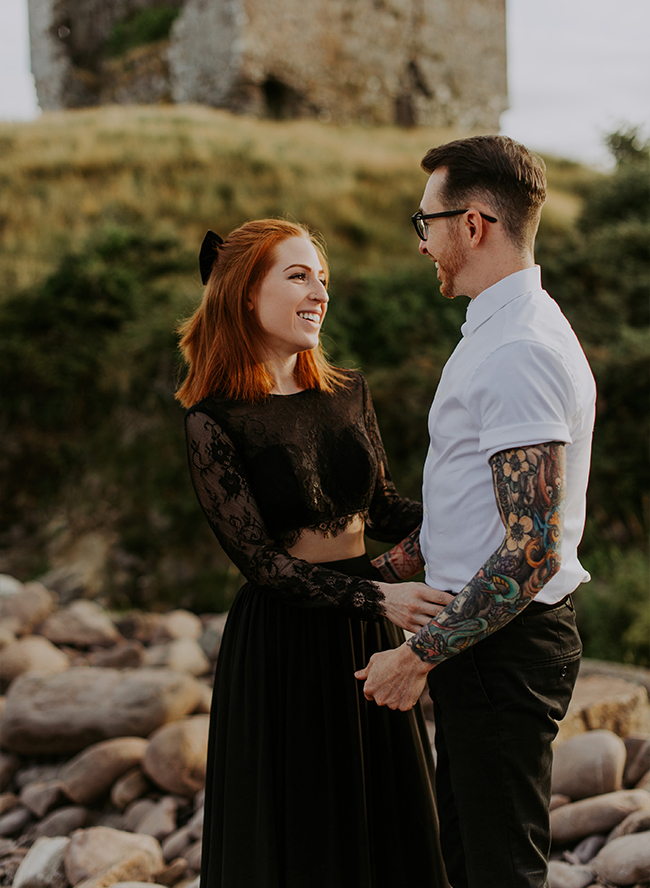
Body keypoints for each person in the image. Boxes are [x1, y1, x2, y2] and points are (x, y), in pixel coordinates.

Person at [175, 219, 451, 888]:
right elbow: (263, 564)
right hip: (285, 643)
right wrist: (379, 594)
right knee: (302, 839)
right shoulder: (213, 418)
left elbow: (383, 510)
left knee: (388, 828)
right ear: (245, 294)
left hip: (367, 629)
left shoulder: (347, 391)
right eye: (298, 275)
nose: (318, 292)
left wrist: (469, 517)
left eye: (322, 279)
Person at [356, 136, 596, 888]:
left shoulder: (519, 350)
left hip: (504, 648)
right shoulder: (498, 331)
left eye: (425, 220)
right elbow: (477, 511)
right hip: (483, 643)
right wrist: (368, 578)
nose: (421, 240)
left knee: (498, 872)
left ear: (474, 223)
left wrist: (416, 658)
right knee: (466, 861)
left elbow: (531, 552)